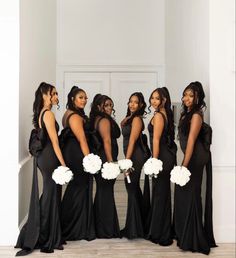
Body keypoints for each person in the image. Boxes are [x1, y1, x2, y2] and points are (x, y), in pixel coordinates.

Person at [15, 82, 65, 256]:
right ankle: (42, 234)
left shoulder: (41, 113)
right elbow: (55, 141)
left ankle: (45, 231)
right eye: (55, 93)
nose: (57, 96)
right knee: (50, 195)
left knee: (50, 194)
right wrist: (64, 164)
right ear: (45, 95)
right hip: (50, 157)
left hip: (46, 157)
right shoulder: (48, 114)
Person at [173, 81, 217, 255]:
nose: (187, 98)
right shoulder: (187, 114)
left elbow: (191, 141)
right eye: (185, 95)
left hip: (195, 158)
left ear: (198, 98)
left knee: (191, 195)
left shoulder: (197, 115)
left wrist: (184, 165)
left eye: (191, 96)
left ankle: (193, 237)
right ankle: (185, 234)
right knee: (184, 195)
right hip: (189, 157)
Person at [60, 86, 95, 241]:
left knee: (77, 187)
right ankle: (72, 227)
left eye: (85, 97)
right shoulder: (74, 116)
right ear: (73, 99)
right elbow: (82, 139)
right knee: (79, 187)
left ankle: (76, 225)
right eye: (81, 97)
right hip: (77, 154)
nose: (84, 100)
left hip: (72, 152)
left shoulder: (70, 113)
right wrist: (89, 160)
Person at [145, 87, 177, 245]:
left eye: (157, 98)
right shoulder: (164, 113)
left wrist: (154, 161)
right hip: (165, 156)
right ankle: (159, 230)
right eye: (152, 98)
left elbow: (156, 140)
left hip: (161, 157)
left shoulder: (159, 115)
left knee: (160, 194)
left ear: (164, 100)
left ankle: (161, 234)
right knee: (161, 194)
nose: (153, 101)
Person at [90, 94, 120, 238]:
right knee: (106, 192)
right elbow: (107, 141)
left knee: (103, 191)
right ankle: (106, 230)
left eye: (110, 105)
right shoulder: (104, 121)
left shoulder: (98, 119)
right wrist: (111, 162)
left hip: (101, 159)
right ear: (98, 107)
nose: (109, 108)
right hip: (105, 160)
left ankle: (100, 227)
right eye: (106, 105)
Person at [120, 92, 150, 239]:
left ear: (141, 105)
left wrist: (127, 161)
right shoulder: (131, 118)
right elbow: (123, 125)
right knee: (134, 188)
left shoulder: (137, 119)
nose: (132, 104)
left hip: (135, 156)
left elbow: (132, 141)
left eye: (135, 102)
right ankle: (140, 224)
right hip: (131, 155)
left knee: (131, 187)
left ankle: (133, 229)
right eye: (130, 101)